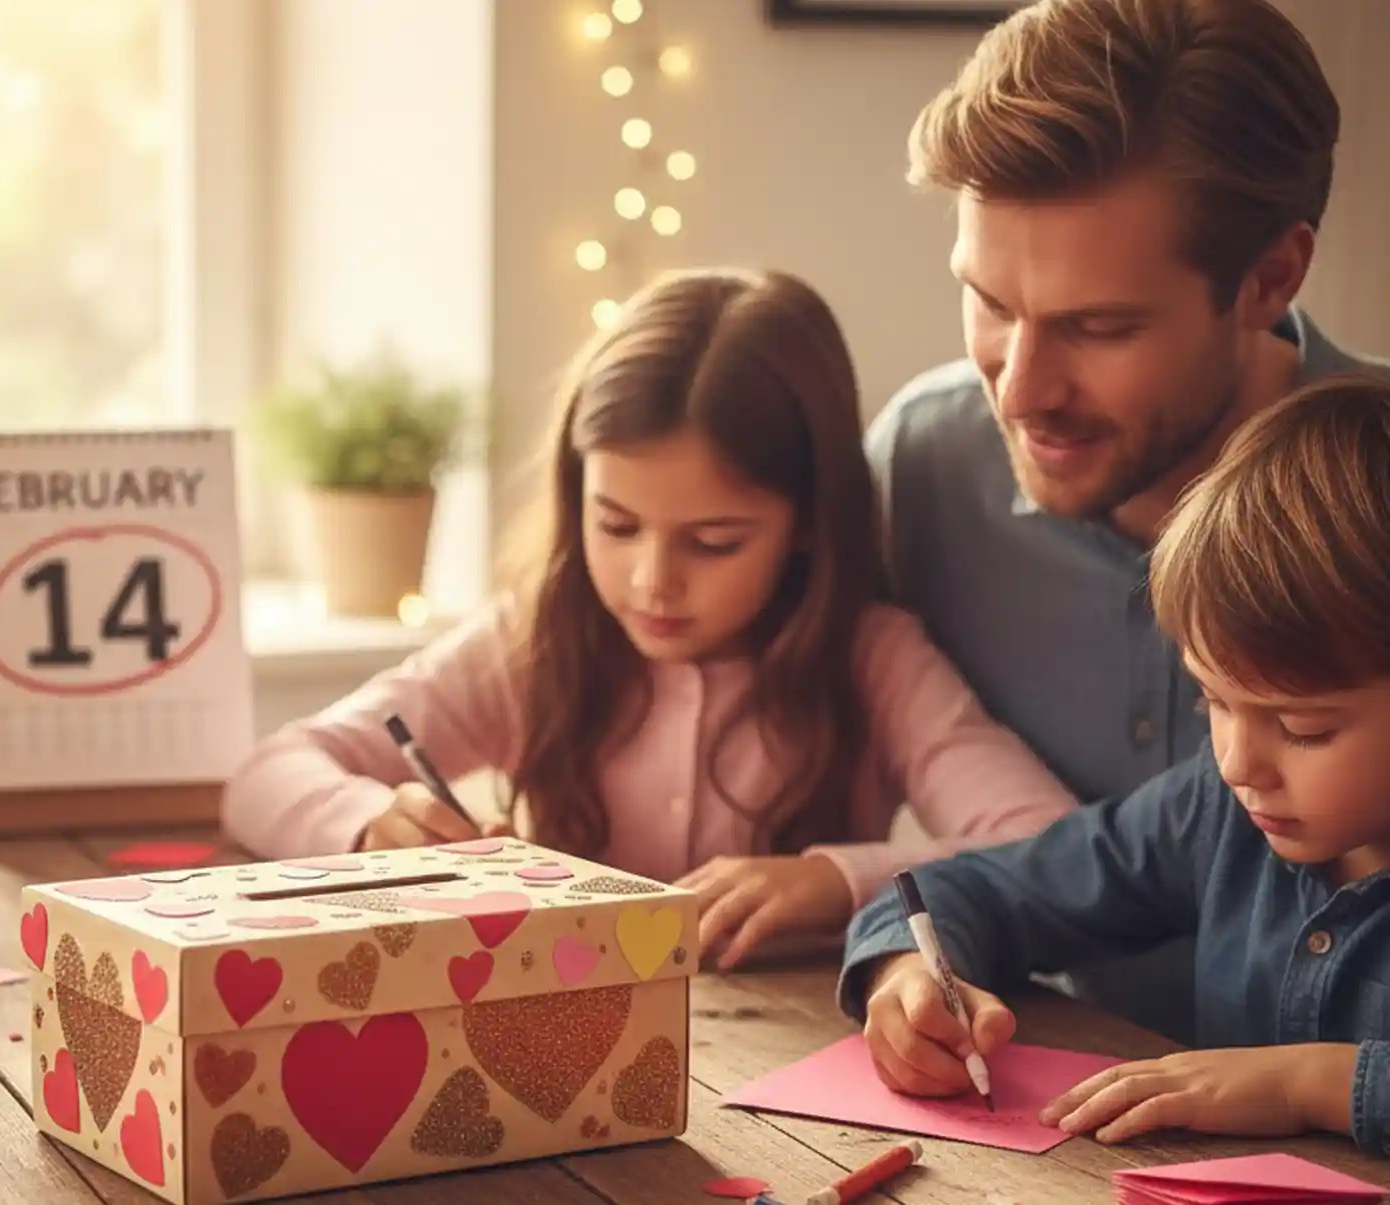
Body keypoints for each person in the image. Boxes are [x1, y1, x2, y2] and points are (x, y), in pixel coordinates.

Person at [223, 267, 1078, 969]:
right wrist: (368, 822)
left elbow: (1051, 849)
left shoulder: (871, 656)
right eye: (615, 525)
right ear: (575, 495)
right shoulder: (536, 635)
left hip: (787, 1067)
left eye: (713, 541)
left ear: (808, 524)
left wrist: (835, 880)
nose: (650, 581)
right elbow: (266, 773)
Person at [864, 0, 1390, 1039]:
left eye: (1096, 326)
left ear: (1267, 278)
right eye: (990, 303)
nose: (1017, 390)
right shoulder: (922, 462)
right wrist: (891, 958)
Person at [841, 373, 1390, 1157]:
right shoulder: (1215, 809)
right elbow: (984, 886)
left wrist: (1308, 1082)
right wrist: (904, 973)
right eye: (1214, 703)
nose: (1239, 763)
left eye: (1302, 728)